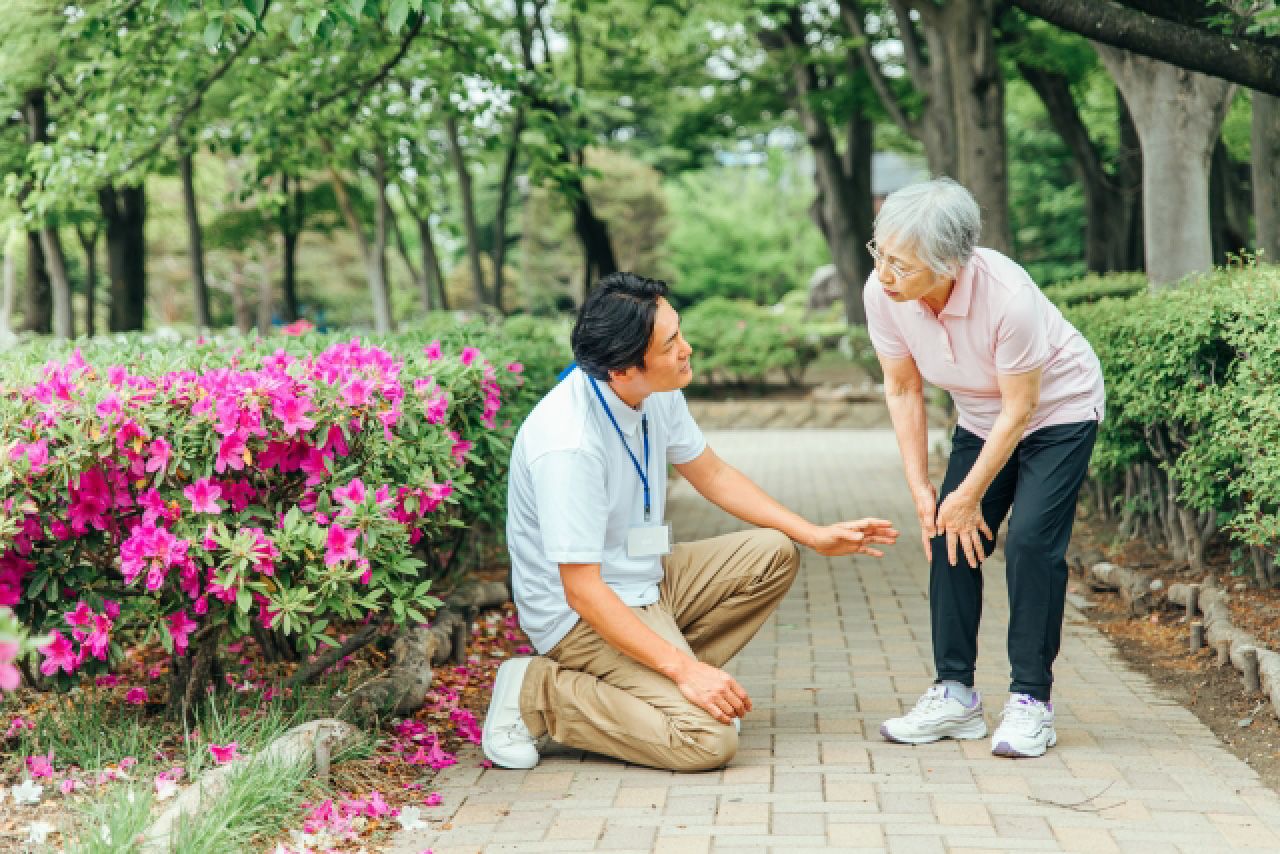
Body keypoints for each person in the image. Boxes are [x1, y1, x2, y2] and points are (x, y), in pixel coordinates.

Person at [482, 272, 899, 772]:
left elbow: (714, 474)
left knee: (773, 552)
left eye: (678, 332)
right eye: (672, 342)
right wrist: (685, 671)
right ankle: (537, 692)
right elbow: (583, 592)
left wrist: (813, 534)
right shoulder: (568, 444)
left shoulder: (655, 389)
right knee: (706, 741)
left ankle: (656, 694)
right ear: (622, 370)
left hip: (649, 582)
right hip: (579, 616)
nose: (688, 348)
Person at [866, 178, 1105, 759]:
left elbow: (1021, 407)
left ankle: (1031, 703)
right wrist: (923, 486)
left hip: (1058, 413)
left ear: (949, 264)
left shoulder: (1008, 297)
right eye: (880, 254)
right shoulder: (884, 293)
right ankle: (955, 695)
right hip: (980, 418)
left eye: (902, 263)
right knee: (946, 533)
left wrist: (968, 493)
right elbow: (902, 389)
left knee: (1028, 543)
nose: (885, 273)